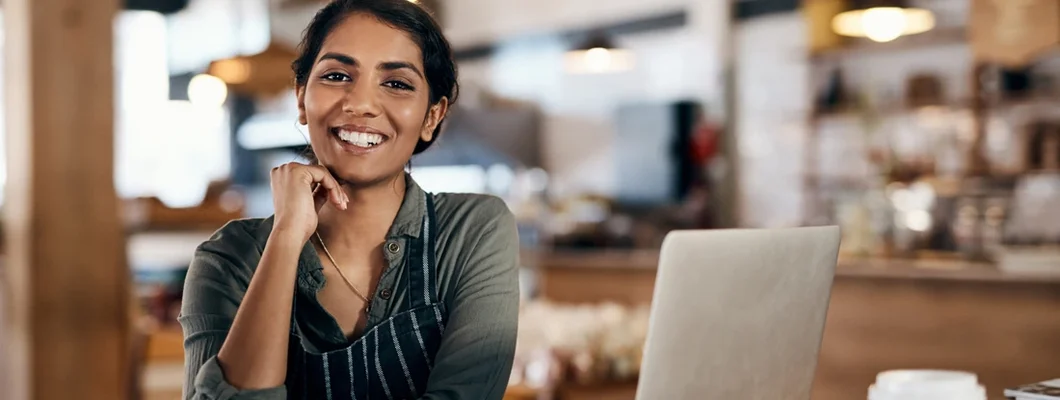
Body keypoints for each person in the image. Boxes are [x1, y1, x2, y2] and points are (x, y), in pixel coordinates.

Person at [178, 1, 520, 399]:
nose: (360, 104)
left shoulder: (472, 230)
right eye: (338, 76)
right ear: (302, 97)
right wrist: (286, 238)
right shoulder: (227, 260)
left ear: (431, 116)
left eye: (396, 83)